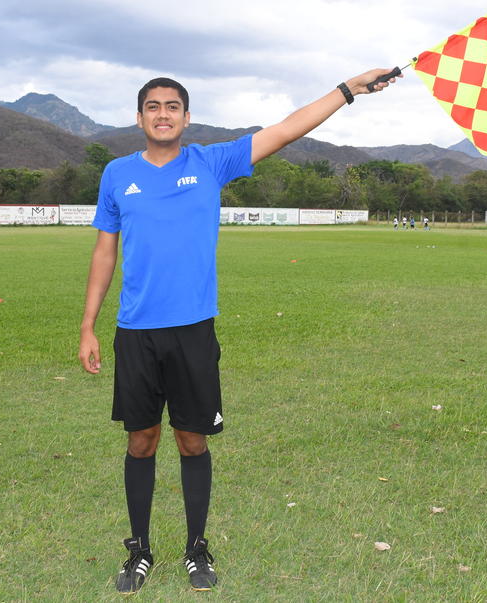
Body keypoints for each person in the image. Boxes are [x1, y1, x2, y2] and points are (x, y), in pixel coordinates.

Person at [78, 69, 397, 594]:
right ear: (139, 118)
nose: (163, 114)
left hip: (193, 332)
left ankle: (196, 547)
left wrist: (347, 90)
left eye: (172, 106)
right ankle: (139, 550)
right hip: (135, 332)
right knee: (141, 440)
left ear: (186, 117)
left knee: (191, 440)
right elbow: (104, 250)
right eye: (153, 107)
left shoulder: (210, 162)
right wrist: (88, 326)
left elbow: (287, 129)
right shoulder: (117, 174)